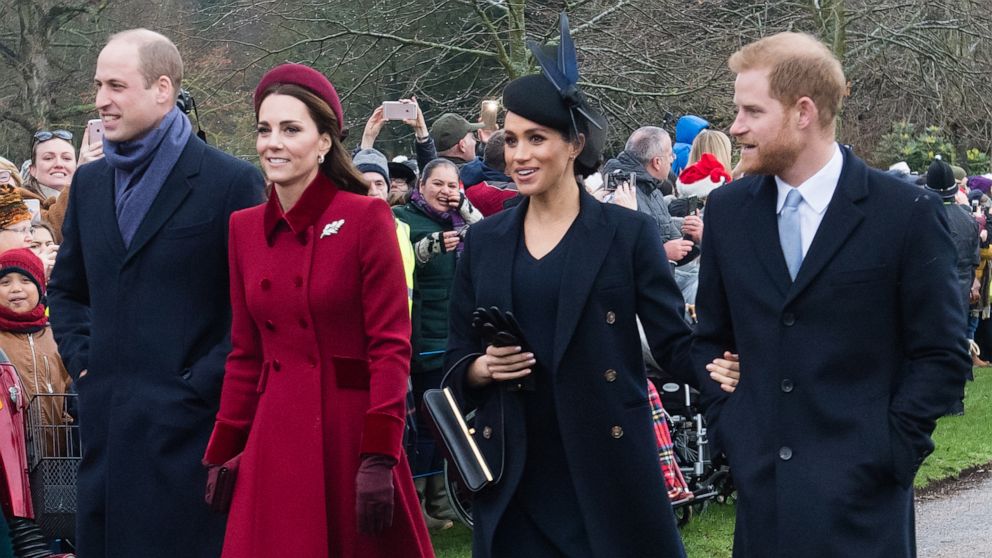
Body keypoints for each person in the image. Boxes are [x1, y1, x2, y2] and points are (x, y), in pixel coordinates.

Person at [695, 32, 969, 557]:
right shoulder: (728, 212)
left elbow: (941, 353)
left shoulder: (904, 213)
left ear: (803, 112)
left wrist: (891, 449)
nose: (735, 127)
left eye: (752, 111)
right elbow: (708, 339)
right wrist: (732, 424)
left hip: (865, 510)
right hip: (763, 503)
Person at [444, 14, 696, 557]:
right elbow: (455, 355)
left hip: (607, 466)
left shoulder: (626, 234)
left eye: (536, 138)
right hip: (515, 471)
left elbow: (673, 342)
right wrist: (481, 368)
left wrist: (731, 363)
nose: (519, 154)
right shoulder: (484, 241)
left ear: (575, 144)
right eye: (510, 140)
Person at [47, 29, 266, 557]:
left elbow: (251, 310)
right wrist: (85, 366)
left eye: (117, 85)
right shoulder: (91, 184)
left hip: (190, 439)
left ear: (163, 88)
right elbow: (67, 289)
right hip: (107, 435)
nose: (101, 99)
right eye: (99, 84)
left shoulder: (230, 182)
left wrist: (195, 388)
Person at [203, 63, 432, 558]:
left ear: (325, 141)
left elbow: (391, 345)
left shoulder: (365, 217)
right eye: (264, 130)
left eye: (290, 129)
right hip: (275, 433)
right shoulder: (243, 228)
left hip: (348, 434)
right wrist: (224, 449)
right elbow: (245, 352)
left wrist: (379, 454)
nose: (272, 143)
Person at [393, 158, 482, 527]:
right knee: (427, 423)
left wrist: (463, 206)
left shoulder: (459, 220)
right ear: (421, 186)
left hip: (454, 333)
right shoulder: (402, 217)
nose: (446, 192)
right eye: (439, 185)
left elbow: (490, 234)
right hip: (422, 334)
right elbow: (396, 261)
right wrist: (425, 249)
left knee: (449, 420)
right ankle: (418, 501)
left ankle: (442, 499)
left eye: (453, 186)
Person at [0, 248, 72, 456]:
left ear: (40, 287)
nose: (15, 289)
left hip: (57, 460)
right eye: (5, 283)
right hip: (8, 459)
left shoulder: (56, 336)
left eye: (25, 280)